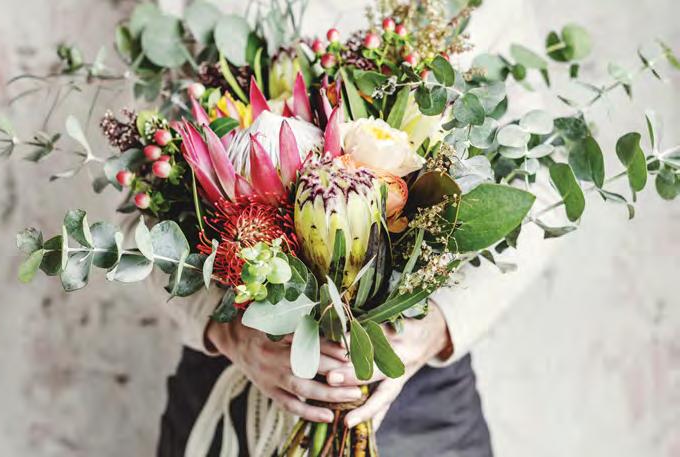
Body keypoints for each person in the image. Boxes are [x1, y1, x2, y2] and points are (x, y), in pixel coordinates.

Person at [155, 1, 556, 456]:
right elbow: (139, 202)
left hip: (418, 399)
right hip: (240, 378)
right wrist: (227, 331)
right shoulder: (194, 13)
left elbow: (539, 182)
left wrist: (439, 325)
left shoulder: (475, 11)